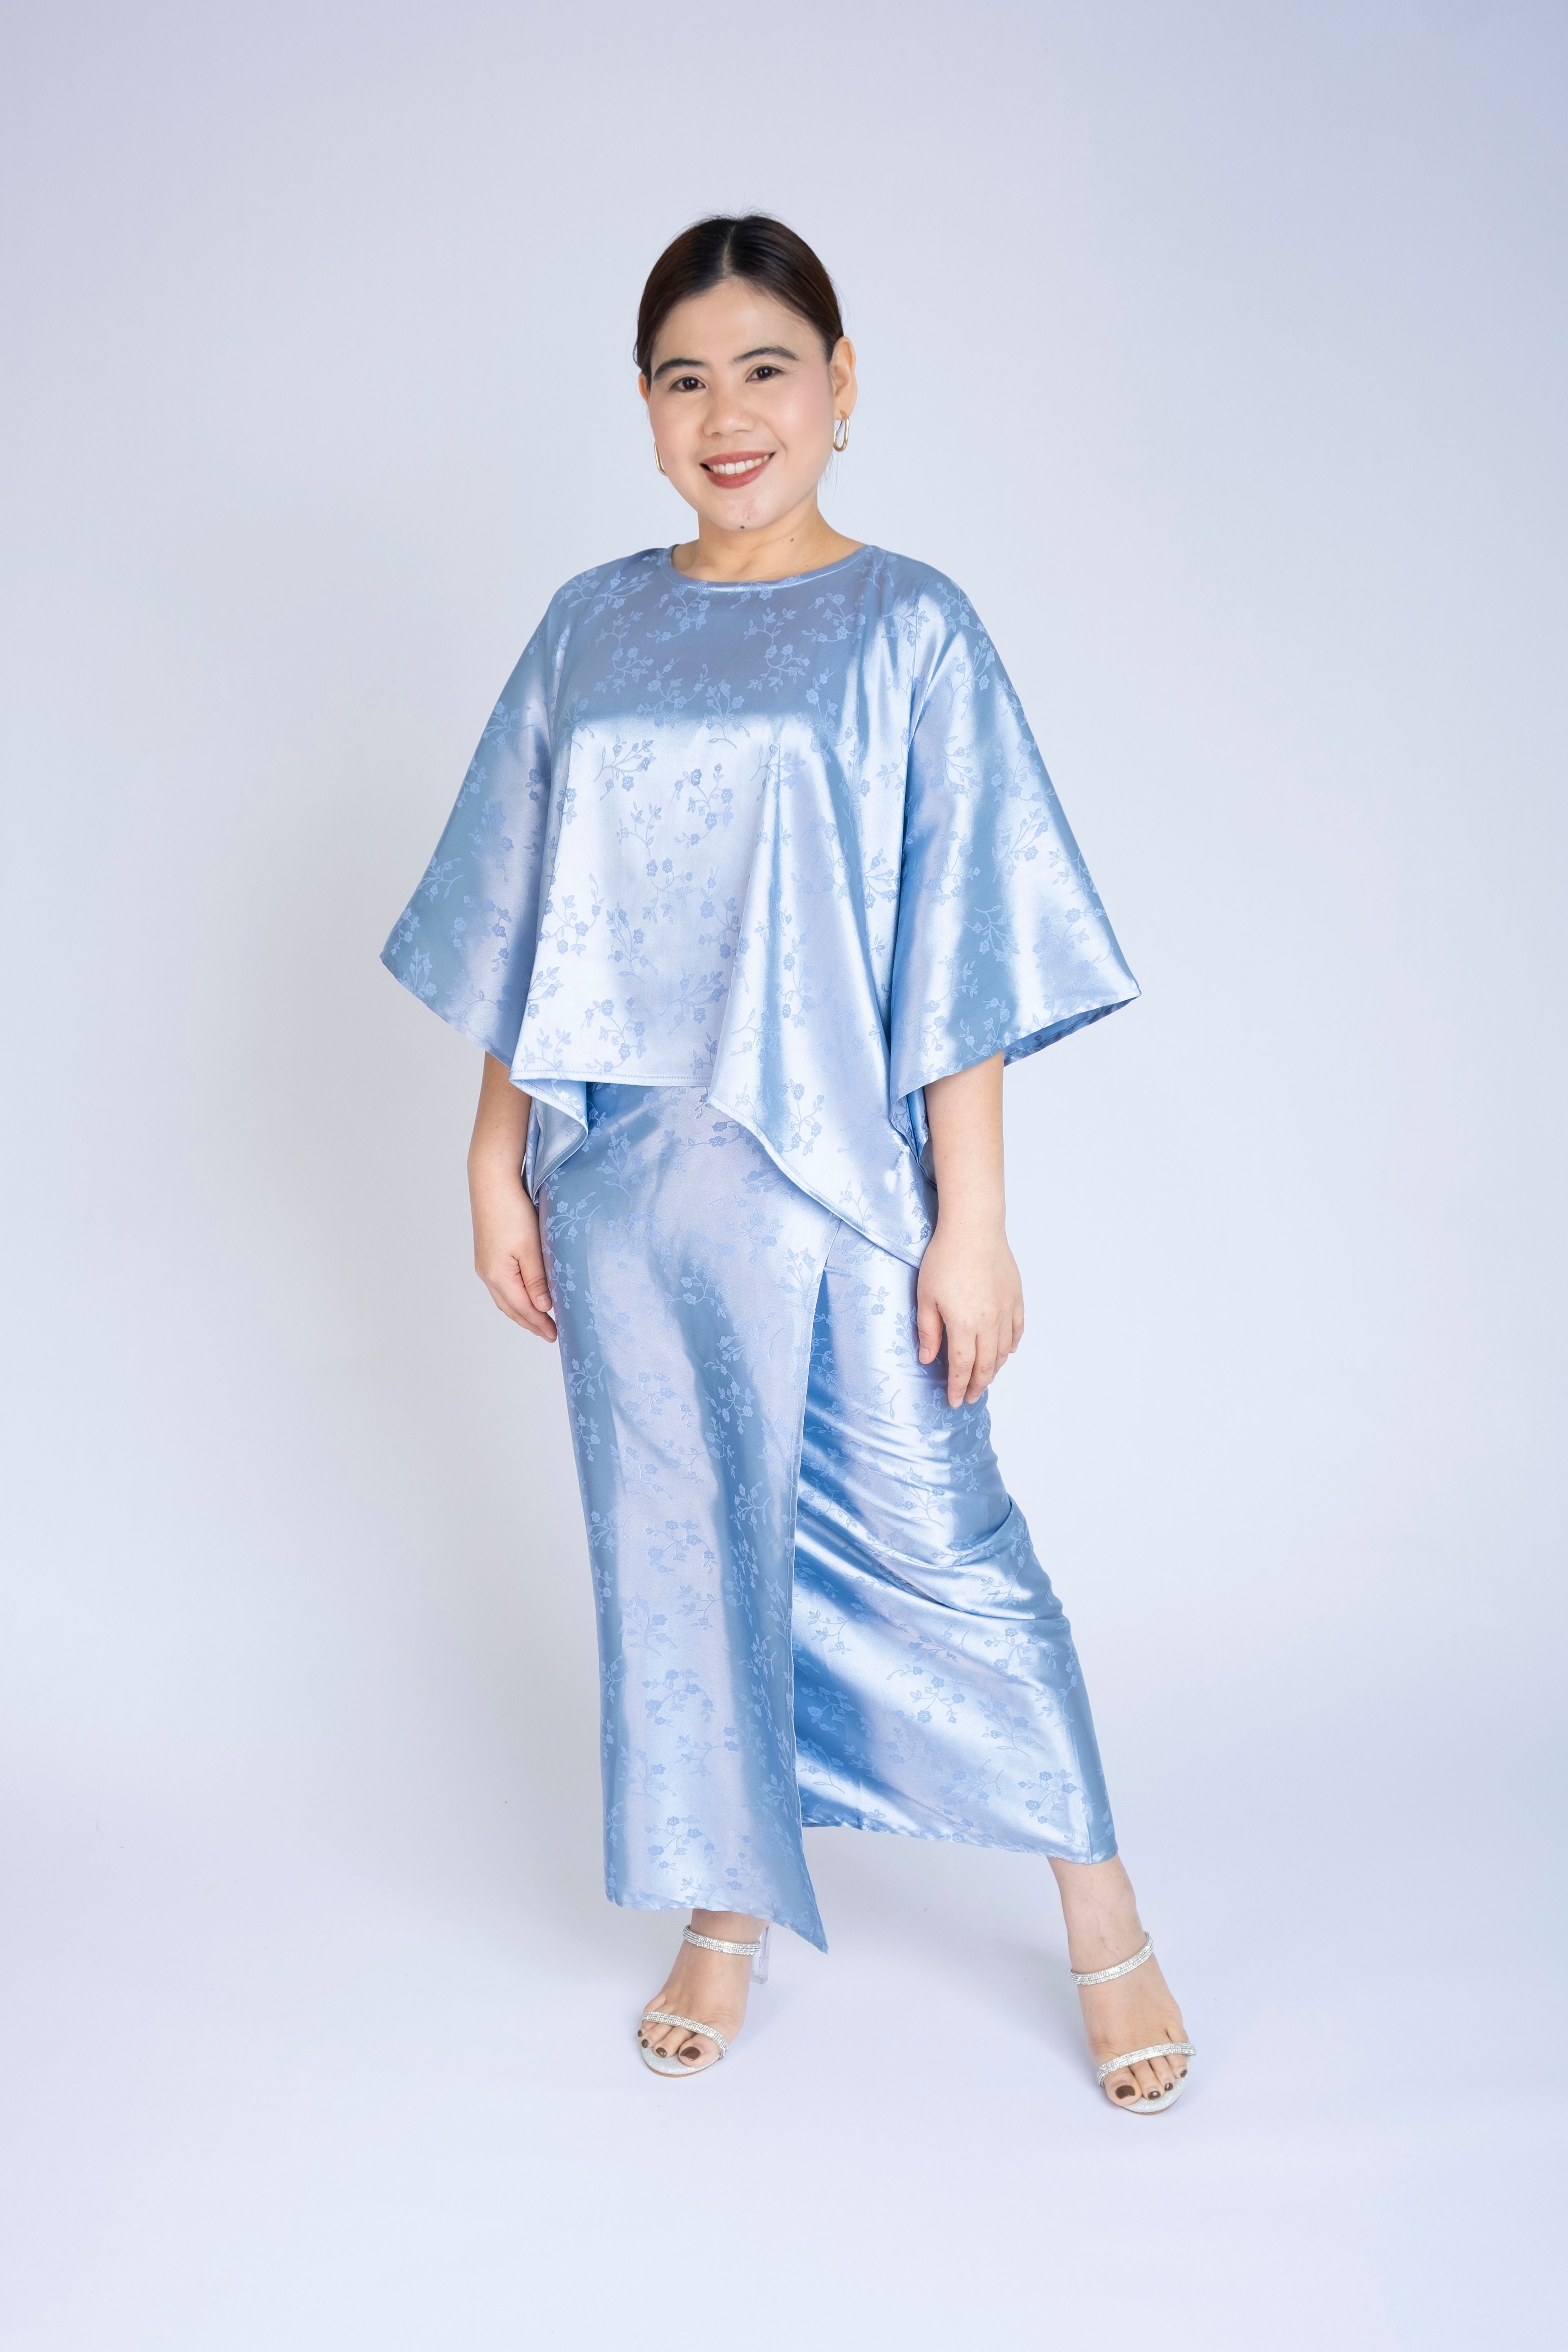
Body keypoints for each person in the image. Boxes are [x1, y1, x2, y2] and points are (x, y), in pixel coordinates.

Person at [382, 214, 1192, 2112]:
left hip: (839, 1190)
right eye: (686, 378)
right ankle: (725, 1907)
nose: (728, 413)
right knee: (679, 1558)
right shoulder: (591, 623)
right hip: (627, 1188)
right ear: (645, 407)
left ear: (840, 385)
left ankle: (1105, 1911)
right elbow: (522, 909)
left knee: (951, 1548)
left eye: (766, 368)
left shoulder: (911, 626)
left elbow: (961, 939)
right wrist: (495, 1157)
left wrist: (973, 1223)